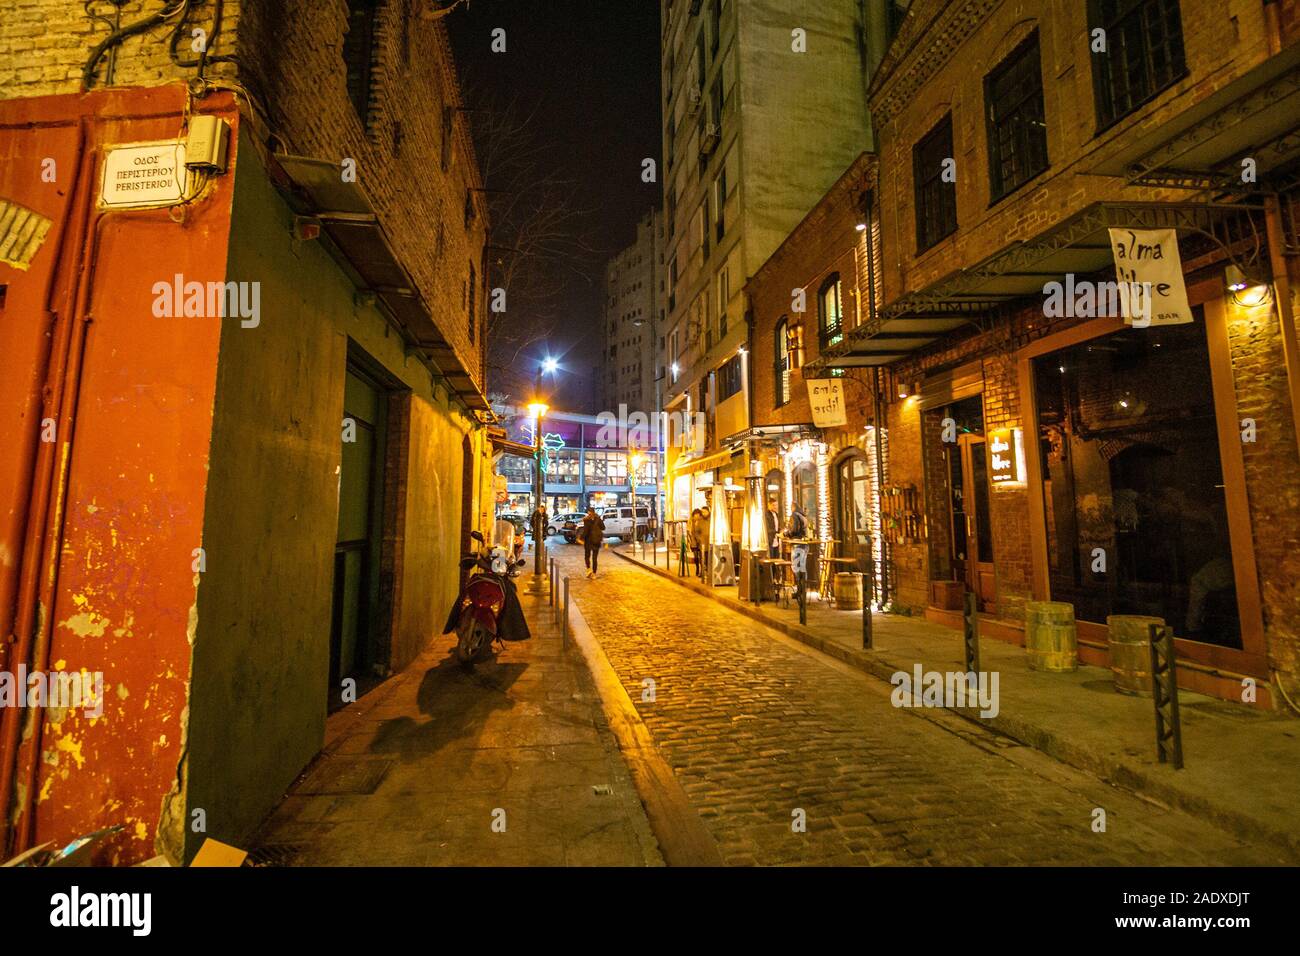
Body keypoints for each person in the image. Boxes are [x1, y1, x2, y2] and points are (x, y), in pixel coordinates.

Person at [580, 506, 605, 578]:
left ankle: (588, 570)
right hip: (596, 540)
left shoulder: (586, 520)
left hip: (588, 541)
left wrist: (581, 538)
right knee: (595, 558)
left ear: (588, 512)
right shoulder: (598, 519)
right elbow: (603, 528)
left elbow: (586, 531)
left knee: (587, 556)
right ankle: (594, 573)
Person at [688, 507, 707, 577]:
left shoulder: (702, 521)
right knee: (696, 557)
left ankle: (702, 570)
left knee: (701, 557)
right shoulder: (691, 522)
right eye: (695, 515)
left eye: (698, 515)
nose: (696, 516)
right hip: (694, 542)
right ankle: (697, 568)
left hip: (701, 541)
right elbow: (689, 531)